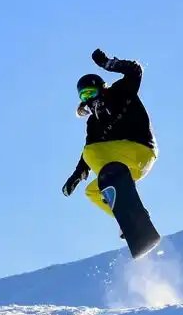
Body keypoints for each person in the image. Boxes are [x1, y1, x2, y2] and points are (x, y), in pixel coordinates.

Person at [61, 49, 157, 237]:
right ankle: (131, 219)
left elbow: (135, 71)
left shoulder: (120, 92)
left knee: (91, 152)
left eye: (90, 93)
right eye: (84, 97)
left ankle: (116, 184)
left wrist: (107, 64)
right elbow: (87, 156)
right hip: (130, 167)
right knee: (92, 192)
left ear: (101, 89)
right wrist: (77, 177)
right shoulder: (94, 122)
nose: (88, 99)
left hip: (141, 151)